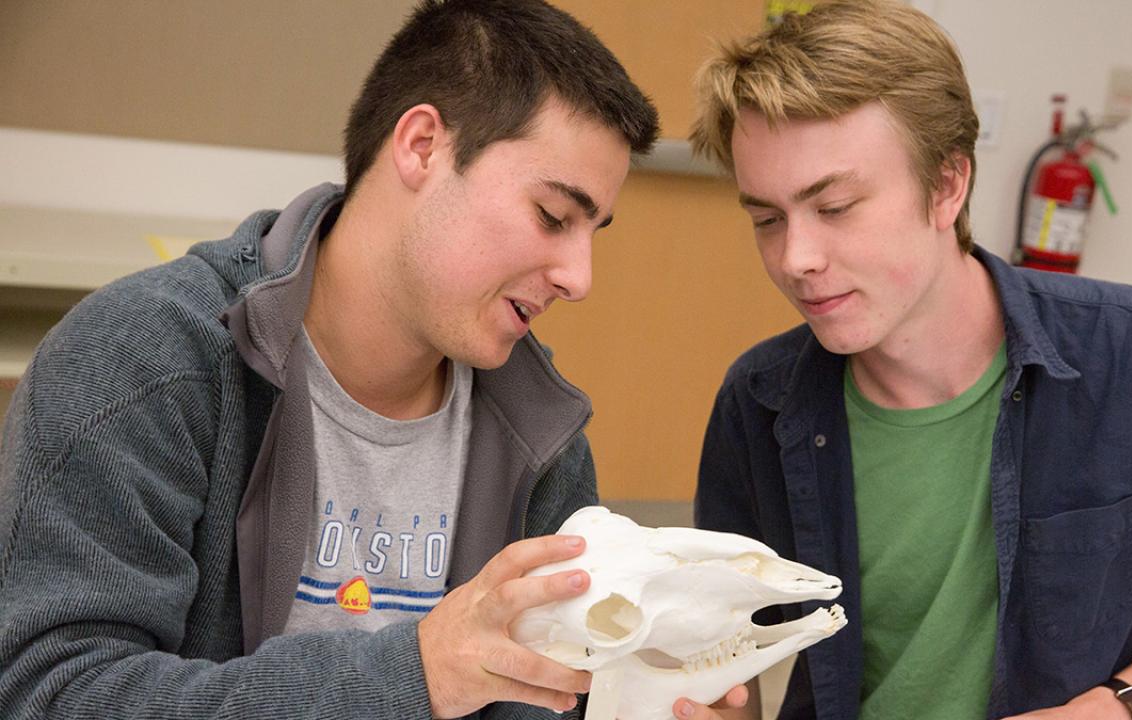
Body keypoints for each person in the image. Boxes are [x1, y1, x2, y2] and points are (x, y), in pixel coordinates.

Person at [0, 1, 673, 717]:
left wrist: (649, 694)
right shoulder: (142, 360)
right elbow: (52, 694)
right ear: (421, 147)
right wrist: (411, 675)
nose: (580, 276)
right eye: (552, 216)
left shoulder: (540, 433)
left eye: (592, 231)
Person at [688, 1, 1132, 718]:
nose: (796, 259)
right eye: (766, 219)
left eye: (836, 206)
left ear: (946, 186)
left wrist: (1121, 707)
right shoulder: (758, 399)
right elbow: (724, 651)